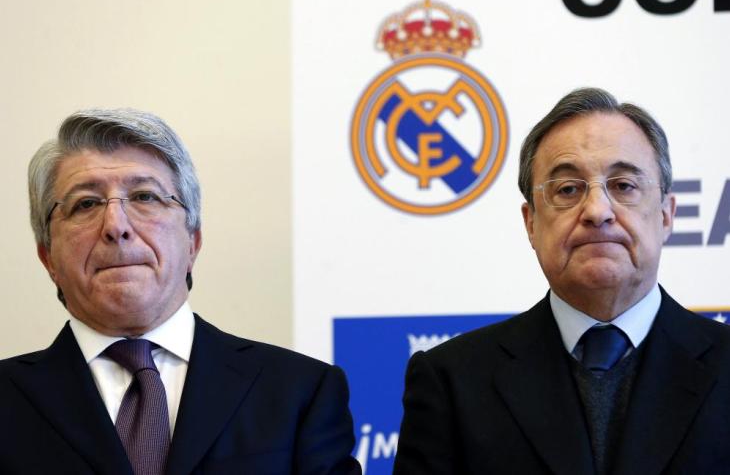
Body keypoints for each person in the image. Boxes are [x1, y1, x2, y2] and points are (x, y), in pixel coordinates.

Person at [0, 109, 361, 475]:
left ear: (192, 241)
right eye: (86, 203)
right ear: (48, 257)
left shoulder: (300, 392)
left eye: (144, 196)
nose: (115, 226)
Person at [393, 87, 730, 474]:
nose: (598, 211)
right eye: (568, 190)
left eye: (623, 186)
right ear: (531, 223)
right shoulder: (452, 381)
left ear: (666, 215)